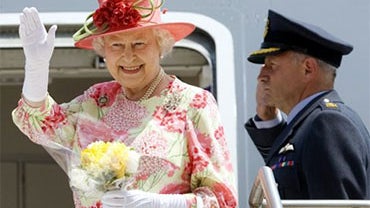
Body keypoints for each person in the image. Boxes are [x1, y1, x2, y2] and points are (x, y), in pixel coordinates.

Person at [12, 0, 238, 207]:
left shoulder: (194, 104)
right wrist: (36, 69)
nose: (128, 56)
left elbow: (222, 200)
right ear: (104, 51)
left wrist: (158, 204)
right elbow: (40, 126)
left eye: (139, 43)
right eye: (116, 45)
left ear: (160, 46)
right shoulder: (97, 100)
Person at [244, 9, 370, 199]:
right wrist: (267, 119)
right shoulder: (311, 125)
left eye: (271, 65)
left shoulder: (328, 124)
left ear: (308, 69)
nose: (261, 76)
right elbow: (291, 169)